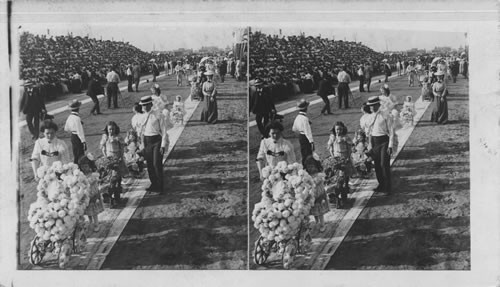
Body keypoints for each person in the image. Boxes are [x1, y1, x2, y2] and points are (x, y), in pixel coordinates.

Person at [139, 95, 168, 193]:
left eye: (147, 105)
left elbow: (164, 131)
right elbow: (141, 132)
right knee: (150, 164)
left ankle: (160, 186)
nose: (145, 107)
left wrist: (163, 145)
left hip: (156, 141)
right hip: (147, 141)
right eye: (143, 106)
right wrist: (142, 145)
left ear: (151, 104)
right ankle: (154, 184)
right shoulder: (142, 117)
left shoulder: (158, 114)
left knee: (156, 164)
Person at [366, 96, 394, 195]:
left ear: (378, 105)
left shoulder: (386, 115)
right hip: (374, 142)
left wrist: (390, 146)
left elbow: (391, 131)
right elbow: (368, 132)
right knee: (377, 165)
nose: (372, 108)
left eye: (373, 105)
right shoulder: (369, 117)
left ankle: (388, 187)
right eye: (370, 106)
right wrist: (369, 144)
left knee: (384, 164)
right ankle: (381, 185)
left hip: (384, 141)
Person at [326, 121, 355, 191]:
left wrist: (348, 156)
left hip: (344, 156)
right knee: (338, 172)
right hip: (336, 157)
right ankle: (340, 185)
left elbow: (349, 148)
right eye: (337, 130)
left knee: (346, 172)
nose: (338, 131)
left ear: (343, 129)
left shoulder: (345, 138)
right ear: (334, 130)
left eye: (340, 129)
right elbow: (330, 148)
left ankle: (346, 184)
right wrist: (332, 156)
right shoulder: (333, 138)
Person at [78, 155, 104, 232]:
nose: (84, 168)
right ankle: (90, 222)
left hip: (93, 195)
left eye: (86, 166)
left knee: (94, 212)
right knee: (88, 211)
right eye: (82, 167)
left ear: (90, 166)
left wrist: (96, 195)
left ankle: (96, 224)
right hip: (86, 196)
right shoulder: (81, 176)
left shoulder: (93, 175)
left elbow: (95, 187)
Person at [304, 155, 329, 232]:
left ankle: (322, 224)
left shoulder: (319, 175)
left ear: (316, 166)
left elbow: (315, 182)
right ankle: (317, 221)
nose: (310, 168)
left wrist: (310, 182)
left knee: (320, 211)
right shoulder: (308, 175)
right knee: (314, 211)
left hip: (319, 196)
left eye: (312, 166)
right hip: (312, 196)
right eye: (308, 167)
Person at [292, 99, 314, 166]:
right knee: (308, 152)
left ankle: (304, 165)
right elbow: (308, 131)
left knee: (303, 152)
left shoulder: (298, 117)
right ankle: (308, 166)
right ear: (306, 108)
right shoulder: (304, 119)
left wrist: (300, 129)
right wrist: (311, 141)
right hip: (305, 137)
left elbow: (294, 129)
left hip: (301, 136)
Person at [64, 100, 87, 164]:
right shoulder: (77, 118)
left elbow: (66, 128)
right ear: (78, 109)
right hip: (77, 137)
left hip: (73, 136)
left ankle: (77, 164)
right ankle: (80, 166)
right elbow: (80, 131)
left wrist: (72, 128)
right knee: (80, 153)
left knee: (75, 152)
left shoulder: (70, 117)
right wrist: (83, 141)